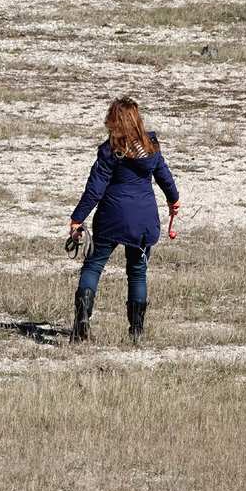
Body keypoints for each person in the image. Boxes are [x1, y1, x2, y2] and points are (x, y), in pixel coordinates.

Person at [68, 97, 179, 344]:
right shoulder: (151, 146)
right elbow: (165, 178)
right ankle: (136, 333)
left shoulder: (110, 151)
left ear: (113, 120)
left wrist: (77, 218)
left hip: (112, 218)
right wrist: (174, 201)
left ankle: (81, 324)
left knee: (93, 267)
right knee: (137, 273)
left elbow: (94, 189)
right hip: (144, 220)